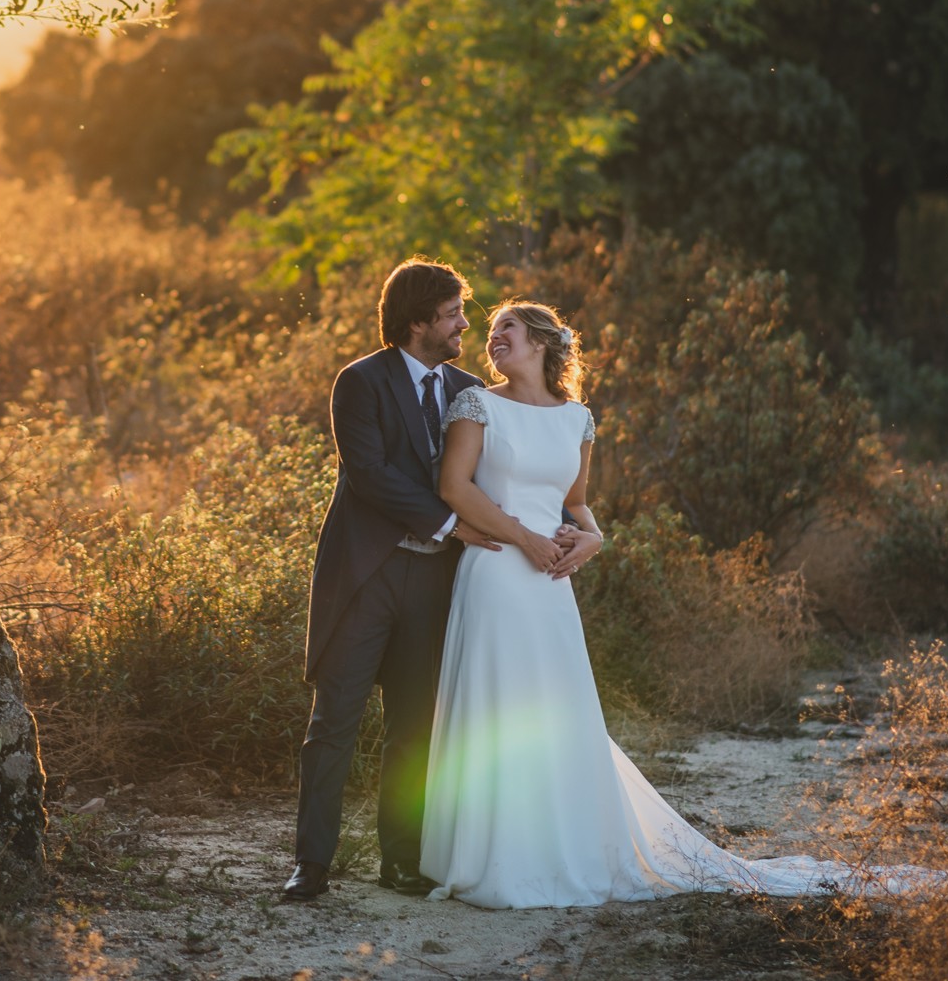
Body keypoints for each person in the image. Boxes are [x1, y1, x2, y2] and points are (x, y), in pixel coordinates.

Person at [418, 300, 881, 907]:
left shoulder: (577, 418)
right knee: (497, 706)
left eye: (505, 327)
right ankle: (490, 856)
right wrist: (525, 538)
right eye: (489, 331)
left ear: (539, 341)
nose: (492, 338)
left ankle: (558, 848)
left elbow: (576, 502)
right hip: (498, 574)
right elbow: (454, 489)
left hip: (552, 586)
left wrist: (595, 537)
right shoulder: (477, 404)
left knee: (556, 711)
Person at [283, 260, 596, 903]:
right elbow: (368, 473)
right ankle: (311, 865)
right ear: (419, 319)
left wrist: (579, 529)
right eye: (454, 313)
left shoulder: (469, 389)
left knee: (416, 727)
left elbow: (522, 469)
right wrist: (454, 522)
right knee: (334, 722)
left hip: (436, 583)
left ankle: (399, 863)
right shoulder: (360, 381)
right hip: (366, 575)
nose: (464, 324)